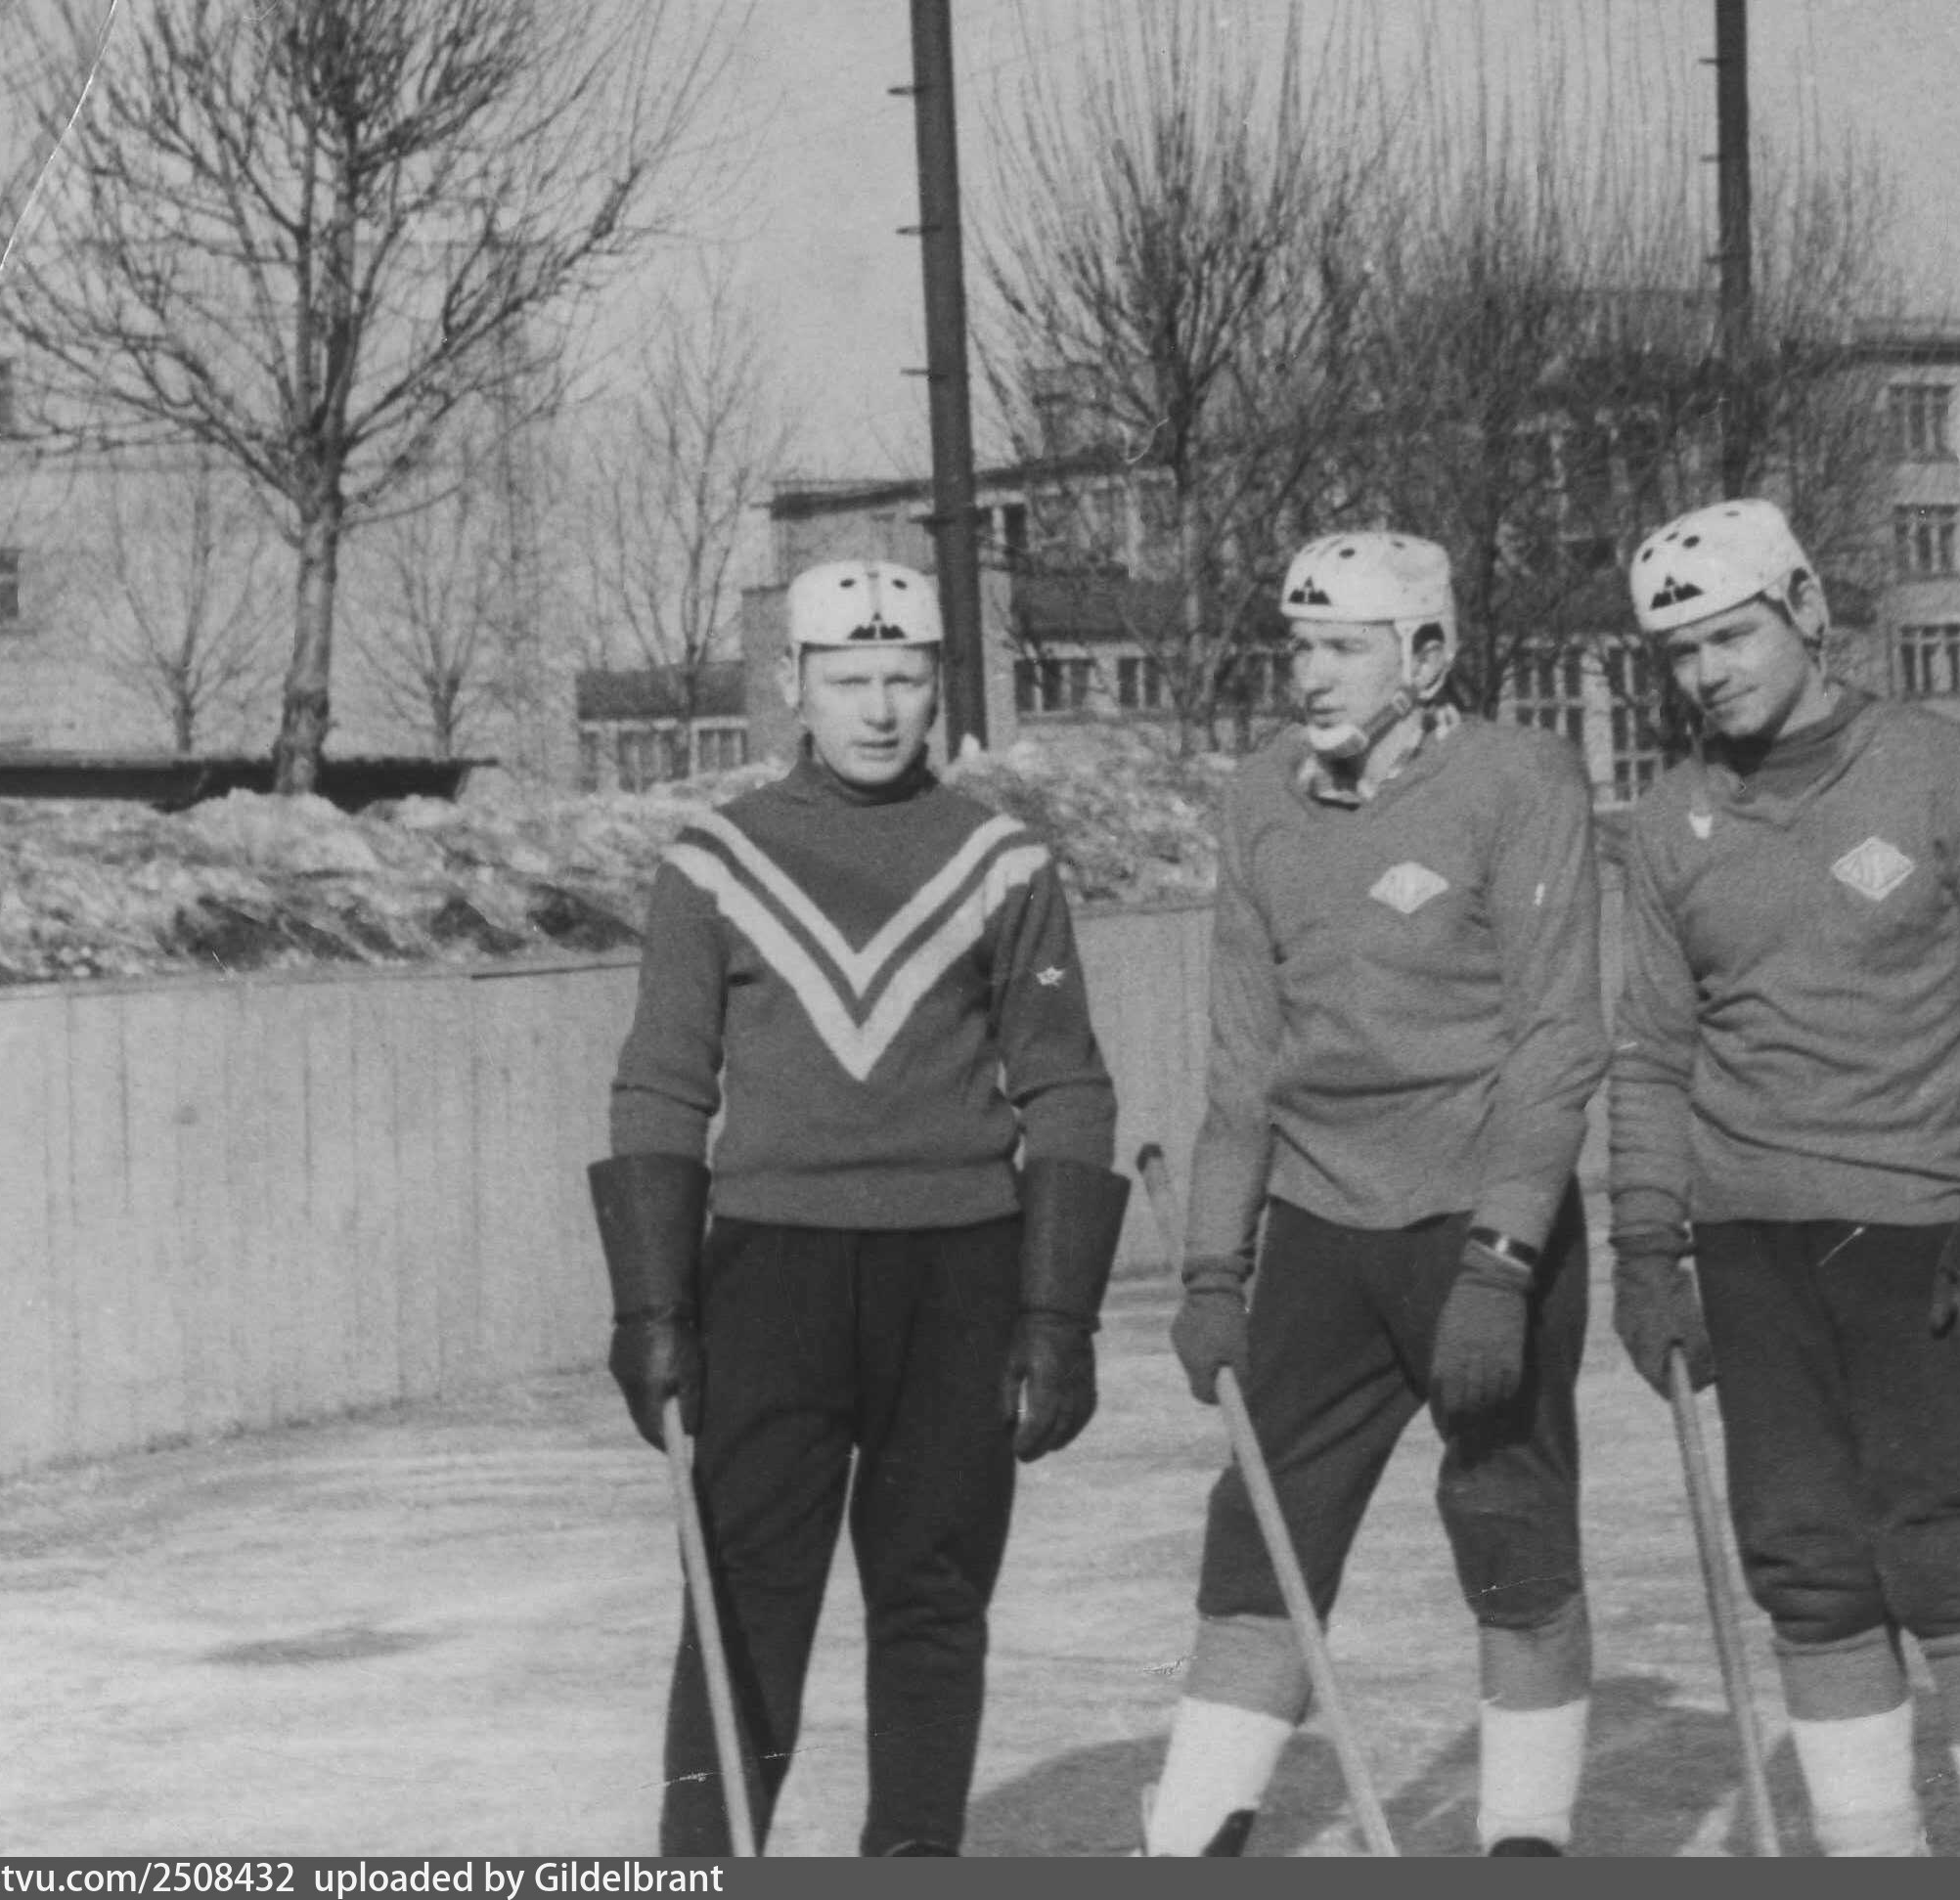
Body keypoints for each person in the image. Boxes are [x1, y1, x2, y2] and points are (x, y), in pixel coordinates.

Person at [589, 557, 1127, 1857]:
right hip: (770, 1278)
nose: (879, 709)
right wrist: (651, 1306)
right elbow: (663, 1084)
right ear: (794, 685)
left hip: (958, 1276)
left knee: (934, 1601)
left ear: (939, 684)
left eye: (905, 678)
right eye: (847, 679)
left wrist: (1058, 1315)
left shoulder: (1002, 861)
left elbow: (1065, 1086)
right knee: (741, 1606)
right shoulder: (717, 861)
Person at [1607, 499, 1960, 1857]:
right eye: (1681, 652)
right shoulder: (1670, 821)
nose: (1708, 674)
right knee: (1809, 1570)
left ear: (1807, 611)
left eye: (1734, 636)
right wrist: (1646, 1244)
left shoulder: (1941, 774)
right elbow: (1652, 1050)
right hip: (1752, 1240)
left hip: (1923, 1231)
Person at [1142, 531, 1608, 1857]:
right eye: (1299, 645)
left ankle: (1524, 1843)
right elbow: (1243, 1062)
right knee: (1260, 1538)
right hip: (1322, 1229)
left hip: (1480, 1227)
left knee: (1512, 1535)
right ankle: (1190, 1844)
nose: (1311, 674)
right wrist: (1216, 1269)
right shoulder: (1261, 797)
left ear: (1428, 656)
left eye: (1344, 647)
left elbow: (1558, 1039)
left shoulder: (1521, 779)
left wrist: (1502, 1261)